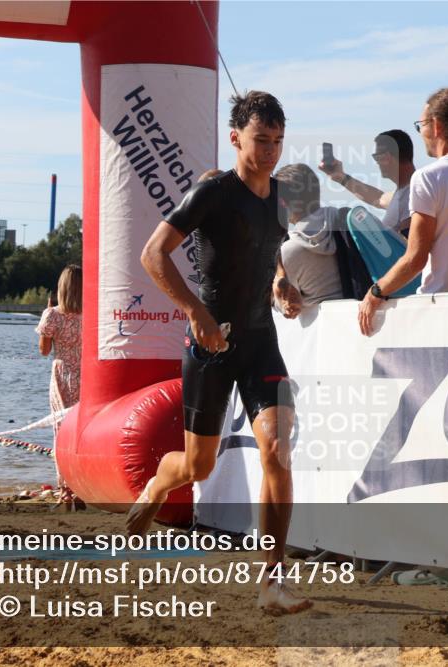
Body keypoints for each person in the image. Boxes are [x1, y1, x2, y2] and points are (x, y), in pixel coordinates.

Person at [137, 90, 311, 615]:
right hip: (211, 345)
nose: (270, 152)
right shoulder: (213, 191)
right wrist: (195, 311)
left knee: (278, 450)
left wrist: (281, 284)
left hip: (260, 342)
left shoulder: (280, 198)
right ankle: (156, 485)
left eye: (278, 142)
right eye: (261, 140)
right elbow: (153, 254)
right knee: (198, 467)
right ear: (235, 137)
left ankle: (271, 584)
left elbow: (270, 249)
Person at [357, 88, 448, 336]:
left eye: (421, 125)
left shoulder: (428, 178)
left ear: (437, 126)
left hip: (439, 308)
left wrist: (375, 292)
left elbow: (415, 259)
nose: (421, 133)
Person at [37, 264, 83, 509]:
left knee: (61, 433)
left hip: (62, 374)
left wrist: (46, 322)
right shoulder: (92, 312)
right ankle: (83, 486)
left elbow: (44, 351)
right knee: (83, 432)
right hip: (87, 375)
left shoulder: (52, 314)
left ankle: (66, 489)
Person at [319, 129, 416, 235]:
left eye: (376, 157)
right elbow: (378, 198)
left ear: (387, 157)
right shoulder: (405, 192)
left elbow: (409, 243)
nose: (377, 162)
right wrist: (340, 177)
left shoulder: (413, 193)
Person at [276, 163, 344, 306]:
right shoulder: (347, 221)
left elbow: (282, 302)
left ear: (282, 202)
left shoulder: (288, 252)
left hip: (322, 326)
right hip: (371, 318)